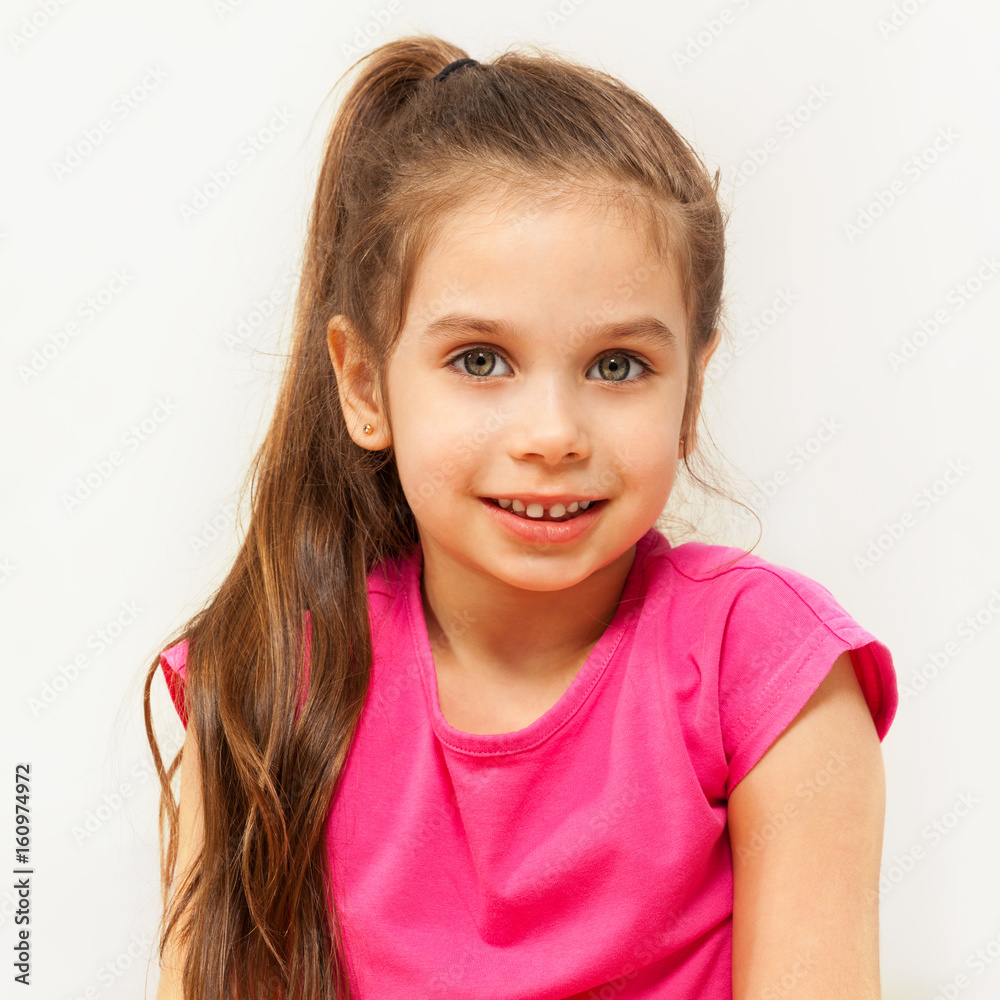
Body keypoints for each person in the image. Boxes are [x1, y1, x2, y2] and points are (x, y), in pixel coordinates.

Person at [143, 33, 898, 1000]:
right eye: (480, 360)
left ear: (692, 394)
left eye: (618, 365)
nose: (552, 434)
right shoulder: (267, 681)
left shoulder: (770, 674)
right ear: (364, 383)